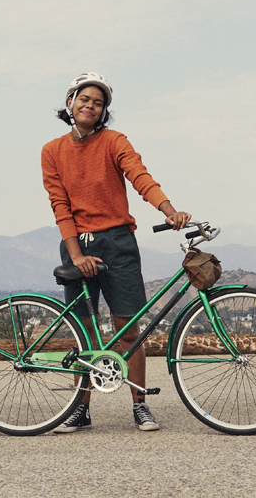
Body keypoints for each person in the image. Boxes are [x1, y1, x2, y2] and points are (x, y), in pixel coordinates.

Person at [40, 72, 192, 433]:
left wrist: (168, 210)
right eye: (84, 99)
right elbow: (60, 205)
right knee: (85, 331)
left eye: (99, 102)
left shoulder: (113, 141)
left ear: (104, 111)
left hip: (118, 241)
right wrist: (76, 255)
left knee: (127, 327)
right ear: (70, 103)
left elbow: (140, 176)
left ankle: (139, 403)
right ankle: (81, 408)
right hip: (78, 244)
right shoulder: (52, 151)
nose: (91, 105)